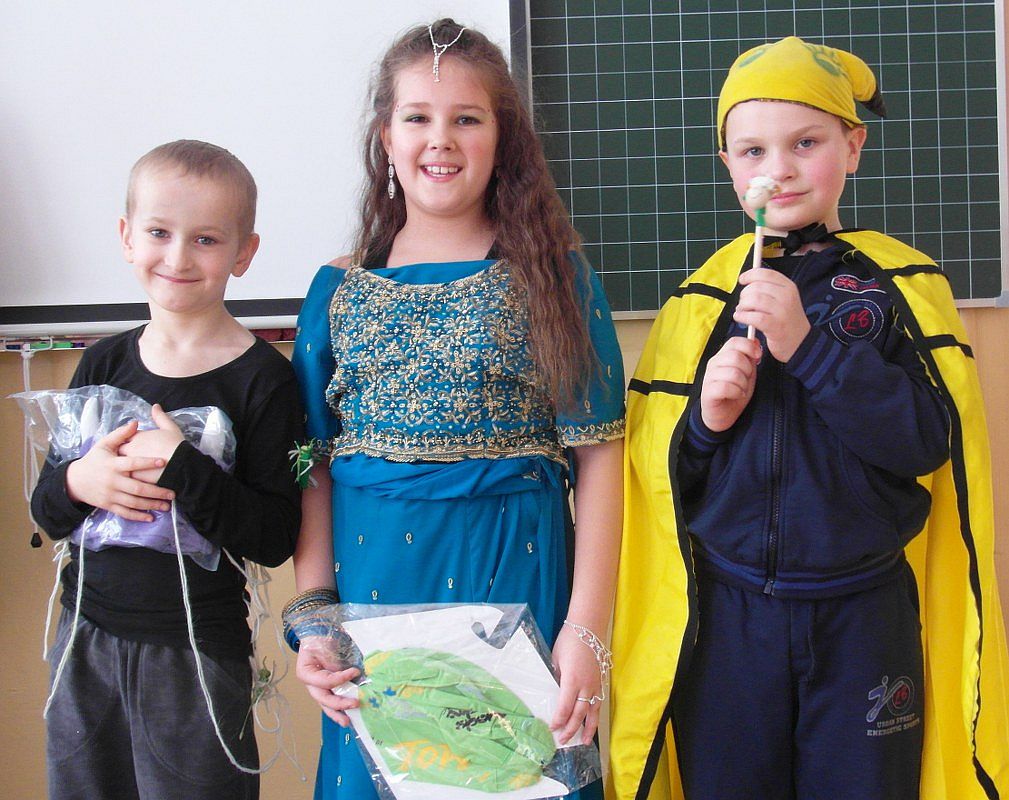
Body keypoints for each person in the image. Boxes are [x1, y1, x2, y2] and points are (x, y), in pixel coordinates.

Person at [608, 37, 1009, 800]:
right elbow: (661, 485)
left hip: (862, 617)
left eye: (805, 143)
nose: (780, 169)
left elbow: (926, 443)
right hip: (728, 620)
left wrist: (809, 347)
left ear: (850, 148)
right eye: (753, 151)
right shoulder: (700, 301)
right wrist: (706, 424)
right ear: (728, 165)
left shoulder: (895, 288)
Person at [285, 18, 624, 800]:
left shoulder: (555, 277)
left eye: (466, 118)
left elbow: (601, 456)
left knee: (518, 778)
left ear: (502, 138)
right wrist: (314, 620)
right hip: (373, 601)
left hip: (518, 583)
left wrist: (586, 630)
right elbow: (312, 465)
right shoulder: (336, 289)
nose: (440, 139)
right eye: (418, 117)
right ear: (386, 136)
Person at [31, 139, 303, 800]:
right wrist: (79, 483)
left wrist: (185, 467)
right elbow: (47, 510)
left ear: (243, 253)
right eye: (159, 233)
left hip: (194, 654)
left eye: (206, 239)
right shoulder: (103, 363)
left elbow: (272, 537)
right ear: (127, 237)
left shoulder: (264, 380)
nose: (178, 258)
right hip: (84, 640)